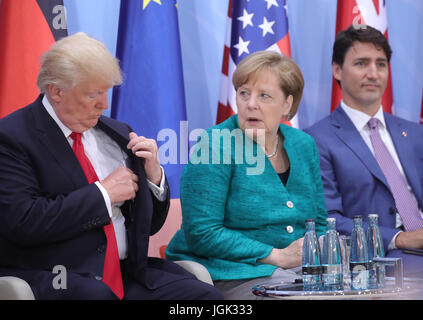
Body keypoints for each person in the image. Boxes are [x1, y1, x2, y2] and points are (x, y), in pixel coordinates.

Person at [0, 32, 222, 300]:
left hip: (127, 274)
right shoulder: (12, 137)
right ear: (56, 91)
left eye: (105, 92)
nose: (104, 104)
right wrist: (103, 194)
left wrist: (154, 178)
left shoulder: (118, 133)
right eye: (93, 94)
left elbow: (148, 226)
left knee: (206, 298)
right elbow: (23, 222)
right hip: (57, 275)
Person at [166, 51, 328, 299]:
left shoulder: (303, 144)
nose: (251, 104)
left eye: (264, 95)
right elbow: (203, 233)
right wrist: (277, 256)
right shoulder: (215, 144)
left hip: (302, 272)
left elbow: (318, 223)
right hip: (231, 273)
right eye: (244, 93)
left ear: (287, 104)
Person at [305, 25, 423, 277]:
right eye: (361, 63)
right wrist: (401, 238)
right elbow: (329, 223)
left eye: (381, 64)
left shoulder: (415, 133)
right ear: (337, 69)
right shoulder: (316, 140)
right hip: (381, 260)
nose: (373, 73)